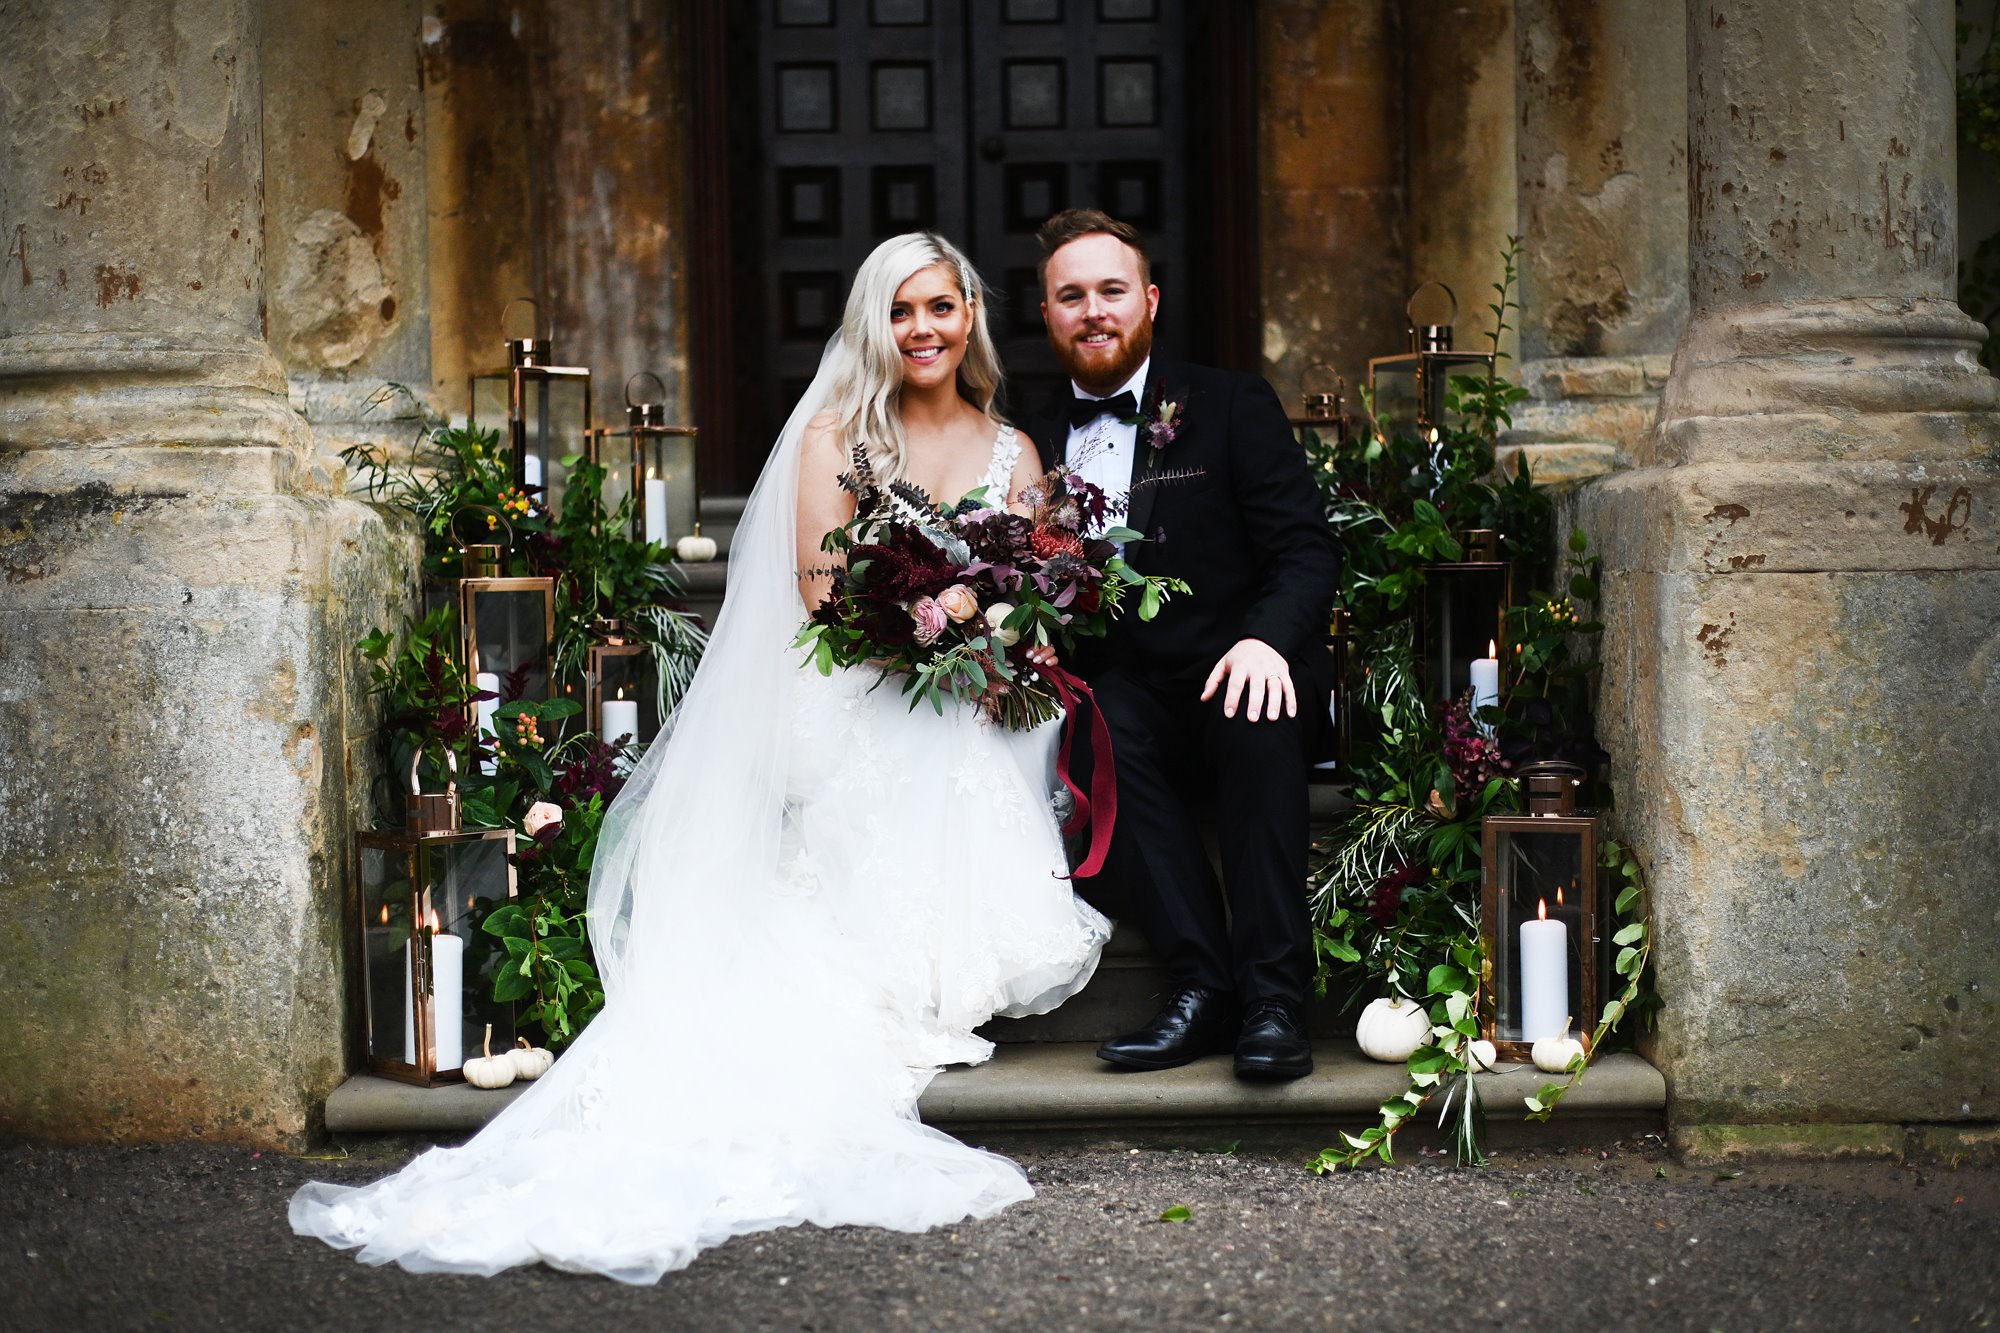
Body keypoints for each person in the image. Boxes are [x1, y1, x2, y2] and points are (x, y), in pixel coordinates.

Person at [290, 232, 1110, 1284]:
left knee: (1000, 717)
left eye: (940, 309)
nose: (922, 331)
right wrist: (935, 620)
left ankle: (944, 958)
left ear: (969, 320)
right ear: (874, 325)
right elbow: (823, 595)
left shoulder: (1015, 453)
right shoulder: (833, 439)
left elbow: (1039, 583)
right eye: (900, 312)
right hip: (867, 681)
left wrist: (1005, 626)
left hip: (968, 691)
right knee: (904, 741)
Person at [1018, 209, 1340, 1082]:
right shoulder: (1026, 440)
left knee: (1256, 717)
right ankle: (1202, 987)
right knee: (1098, 729)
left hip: (1242, 664)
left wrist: (1269, 641)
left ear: (1150, 300)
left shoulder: (1230, 401)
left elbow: (1307, 550)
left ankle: (1274, 998)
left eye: (1112, 291)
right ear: (1047, 314)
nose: (1094, 311)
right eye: (1071, 295)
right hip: (1123, 685)